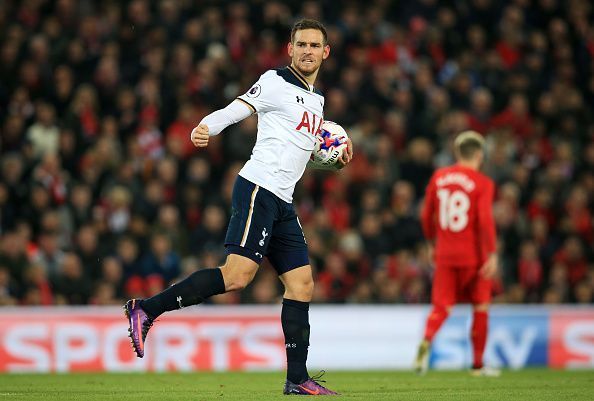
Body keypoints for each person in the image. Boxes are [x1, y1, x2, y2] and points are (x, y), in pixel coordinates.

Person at [124, 19, 352, 396]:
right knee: (237, 276)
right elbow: (239, 107)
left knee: (302, 284)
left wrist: (332, 159)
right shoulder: (276, 81)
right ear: (290, 49)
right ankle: (147, 309)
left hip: (283, 200)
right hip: (258, 189)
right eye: (302, 45)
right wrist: (207, 127)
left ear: (325, 52)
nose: (308, 51)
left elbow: (299, 151)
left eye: (315, 45)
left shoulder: (316, 100)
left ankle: (297, 378)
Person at [415, 131, 500, 377]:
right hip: (475, 256)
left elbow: (425, 215)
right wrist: (492, 253)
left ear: (457, 153)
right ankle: (477, 365)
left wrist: (431, 242)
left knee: (442, 307)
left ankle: (427, 340)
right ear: (479, 154)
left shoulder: (439, 177)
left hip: (444, 254)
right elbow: (484, 220)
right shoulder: (483, 182)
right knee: (480, 307)